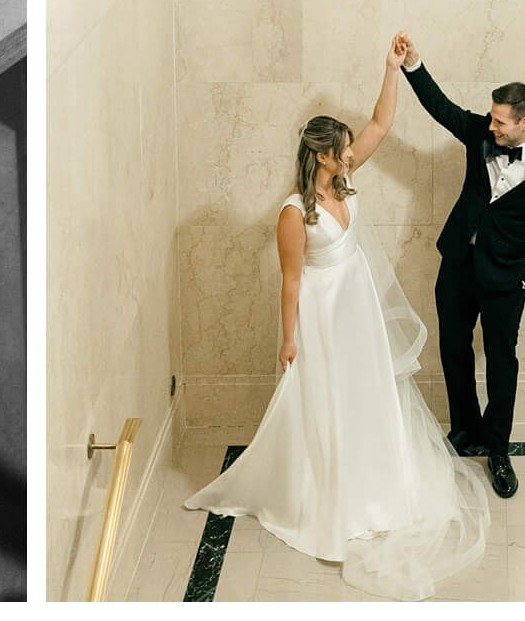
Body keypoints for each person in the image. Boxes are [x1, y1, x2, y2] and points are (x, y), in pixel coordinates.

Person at [185, 41, 489, 600]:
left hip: (359, 305)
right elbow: (292, 280)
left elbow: (381, 120)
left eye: (350, 150)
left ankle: (377, 482)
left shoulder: (345, 175)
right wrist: (288, 340)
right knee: (330, 401)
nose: (351, 153)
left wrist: (391, 68)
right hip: (323, 314)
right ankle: (332, 496)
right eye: (342, 150)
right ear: (323, 156)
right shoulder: (293, 212)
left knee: (369, 393)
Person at [396, 31, 525, 500]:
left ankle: (498, 450)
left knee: (502, 366)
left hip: (505, 281)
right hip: (457, 266)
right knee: (454, 352)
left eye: (500, 122)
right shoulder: (480, 133)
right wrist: (413, 64)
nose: (491, 127)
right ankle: (465, 429)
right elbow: (442, 108)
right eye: (492, 119)